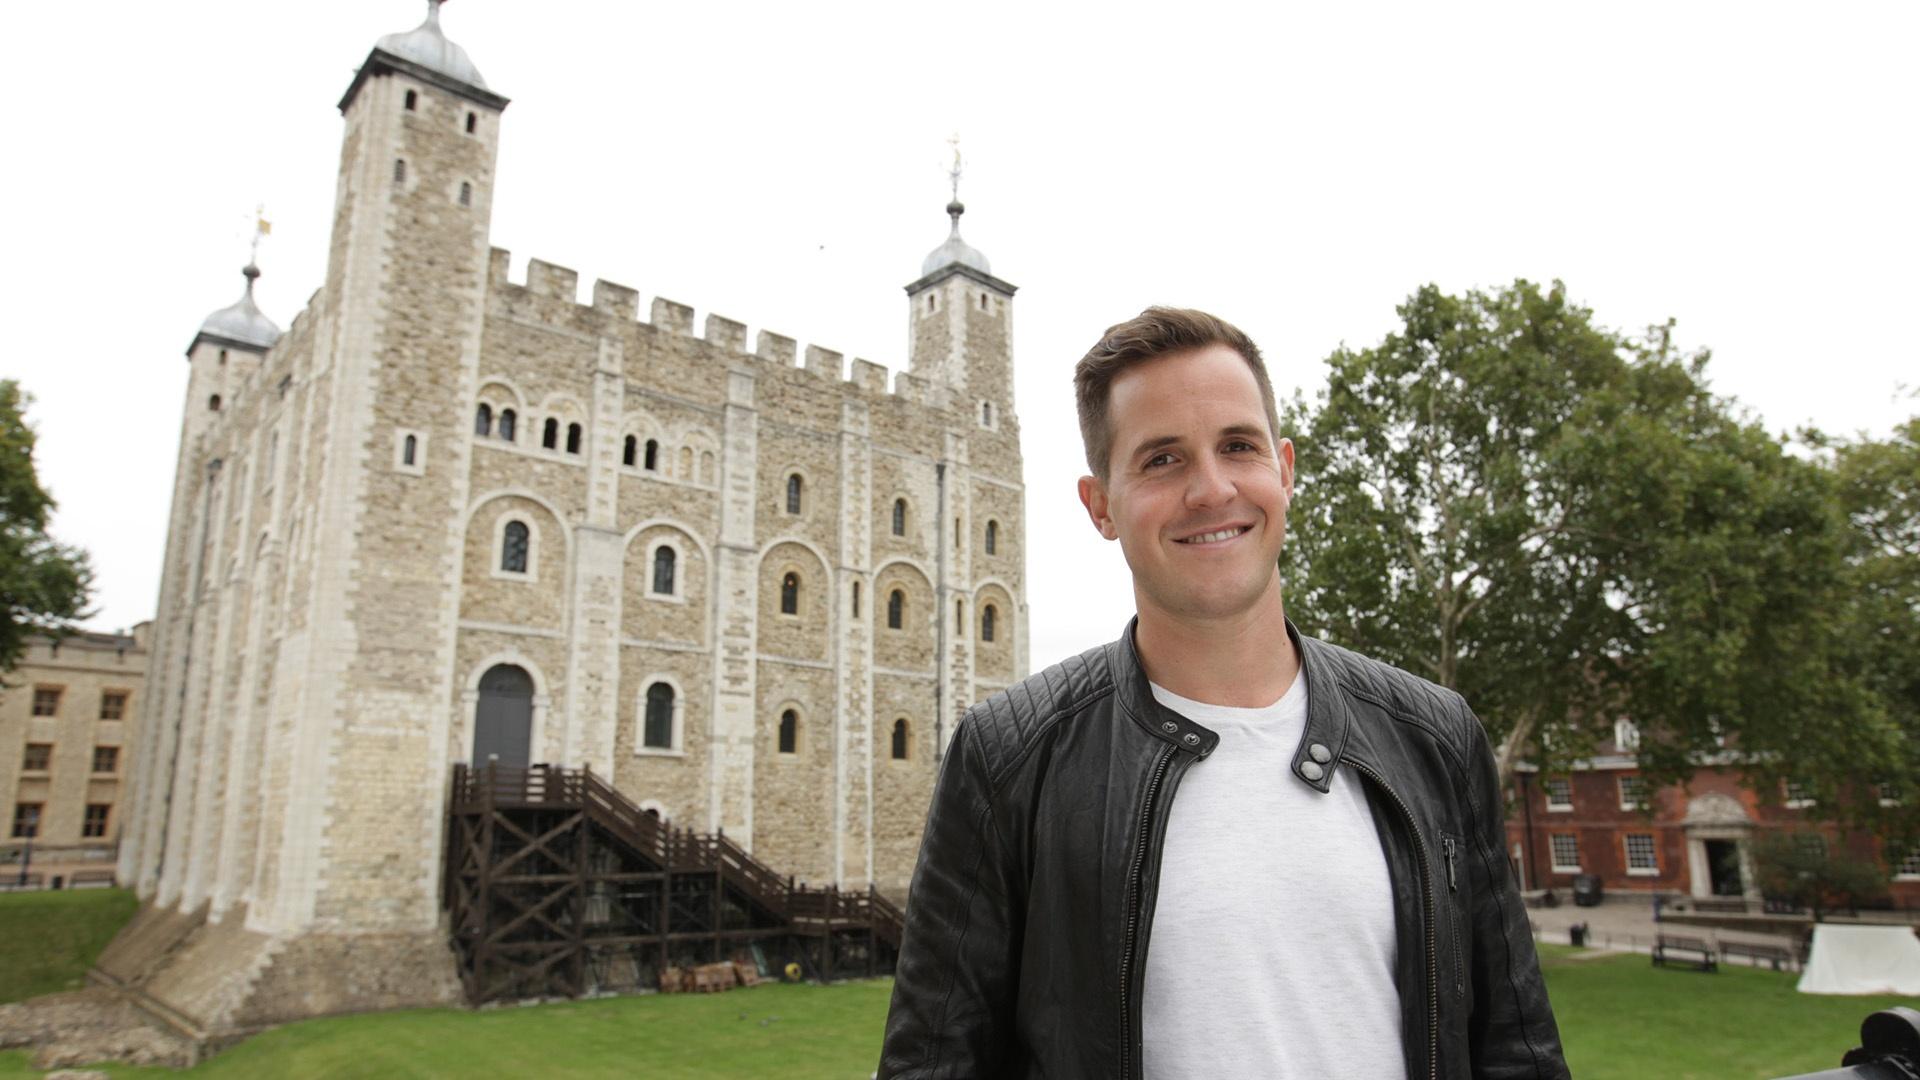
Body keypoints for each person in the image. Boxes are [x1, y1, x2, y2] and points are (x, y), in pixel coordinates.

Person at [877, 307, 1568, 1079]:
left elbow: (1517, 1046)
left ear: (1286, 470)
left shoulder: (1436, 738)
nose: (1211, 490)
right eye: (1162, 460)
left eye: (1238, 447)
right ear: (1100, 504)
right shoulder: (1008, 759)